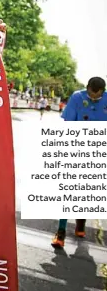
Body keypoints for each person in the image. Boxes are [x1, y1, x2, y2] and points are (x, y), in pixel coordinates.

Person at [51, 76, 107, 249]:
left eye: (97, 97)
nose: (94, 99)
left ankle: (81, 221)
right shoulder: (77, 97)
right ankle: (61, 232)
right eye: (91, 95)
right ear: (87, 88)